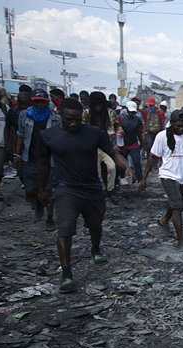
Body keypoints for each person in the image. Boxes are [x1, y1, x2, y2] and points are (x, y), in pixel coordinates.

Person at [35, 98, 132, 293]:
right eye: (69, 119)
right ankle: (67, 273)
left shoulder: (94, 133)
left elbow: (111, 152)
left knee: (95, 225)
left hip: (92, 188)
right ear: (59, 114)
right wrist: (42, 188)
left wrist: (125, 166)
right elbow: (43, 164)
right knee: (65, 230)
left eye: (77, 119)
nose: (73, 123)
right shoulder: (48, 135)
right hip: (66, 189)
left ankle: (95, 249)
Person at [141, 110, 183, 248]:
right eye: (178, 126)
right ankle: (181, 240)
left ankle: (164, 220)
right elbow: (153, 157)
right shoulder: (161, 136)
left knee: (175, 202)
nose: (181, 129)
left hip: (182, 177)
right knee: (178, 206)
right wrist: (144, 178)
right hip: (167, 175)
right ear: (171, 124)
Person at [15, 89, 61, 227]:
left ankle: (50, 218)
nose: (39, 104)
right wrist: (17, 153)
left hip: (48, 160)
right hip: (30, 157)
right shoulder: (24, 115)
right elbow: (20, 135)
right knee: (30, 189)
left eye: (42, 102)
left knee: (49, 190)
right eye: (36, 102)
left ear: (46, 102)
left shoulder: (55, 119)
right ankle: (38, 202)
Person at [83, 92, 120, 199]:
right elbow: (82, 127)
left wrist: (119, 134)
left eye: (100, 104)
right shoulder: (87, 113)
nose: (98, 107)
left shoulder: (110, 113)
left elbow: (117, 126)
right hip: (91, 145)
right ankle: (97, 191)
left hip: (107, 144)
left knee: (111, 167)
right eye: (96, 105)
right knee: (95, 170)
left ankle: (110, 189)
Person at [118, 101, 144, 184]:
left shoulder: (137, 120)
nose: (131, 113)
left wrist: (142, 143)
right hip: (123, 144)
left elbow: (139, 132)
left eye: (133, 112)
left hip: (133, 143)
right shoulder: (120, 118)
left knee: (137, 162)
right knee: (122, 163)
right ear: (126, 109)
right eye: (130, 111)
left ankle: (140, 180)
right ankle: (122, 178)